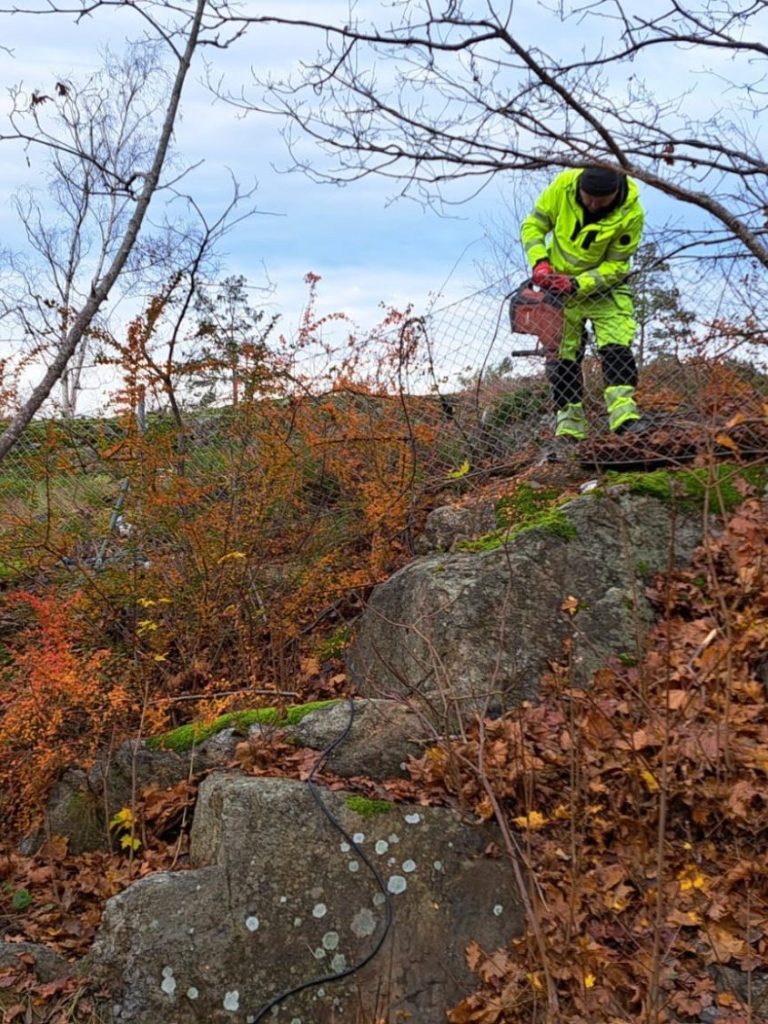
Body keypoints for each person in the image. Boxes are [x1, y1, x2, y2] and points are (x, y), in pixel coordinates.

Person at [520, 165, 645, 441]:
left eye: (599, 202)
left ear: (615, 192)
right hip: (559, 292)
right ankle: (569, 428)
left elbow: (617, 265)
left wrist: (579, 283)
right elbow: (533, 226)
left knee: (616, 350)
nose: (591, 204)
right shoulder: (563, 187)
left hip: (605, 291)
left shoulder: (631, 213)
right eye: (586, 198)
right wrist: (540, 262)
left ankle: (625, 420)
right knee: (562, 360)